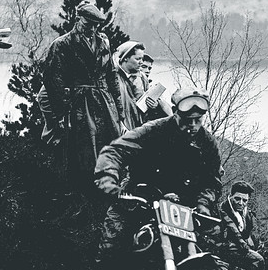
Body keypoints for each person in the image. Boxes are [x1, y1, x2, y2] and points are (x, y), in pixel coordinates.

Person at [94, 88, 222, 256]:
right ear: (175, 112)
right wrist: (108, 179)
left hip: (179, 211)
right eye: (187, 120)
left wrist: (203, 203)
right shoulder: (154, 130)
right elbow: (115, 151)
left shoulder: (208, 143)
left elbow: (212, 180)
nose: (192, 125)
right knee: (111, 250)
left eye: (198, 120)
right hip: (139, 202)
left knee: (199, 253)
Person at [42, 2, 126, 191]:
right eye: (89, 24)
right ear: (77, 19)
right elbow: (53, 81)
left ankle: (109, 189)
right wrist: (61, 114)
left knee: (110, 146)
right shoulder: (62, 44)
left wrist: (119, 112)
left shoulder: (104, 41)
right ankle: (85, 196)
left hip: (105, 104)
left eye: (96, 25)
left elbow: (111, 75)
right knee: (83, 151)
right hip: (80, 105)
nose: (93, 29)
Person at [218, 181, 266, 270]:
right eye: (237, 199)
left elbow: (250, 232)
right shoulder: (223, 209)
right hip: (226, 247)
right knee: (258, 260)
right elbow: (232, 228)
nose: (241, 203)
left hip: (238, 248)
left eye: (244, 200)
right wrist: (243, 244)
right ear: (230, 196)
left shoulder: (246, 214)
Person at [114, 40, 146, 129]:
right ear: (125, 58)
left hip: (138, 128)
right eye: (138, 59)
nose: (141, 62)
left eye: (142, 59)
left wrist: (153, 105)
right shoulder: (113, 77)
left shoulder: (142, 77)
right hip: (121, 129)